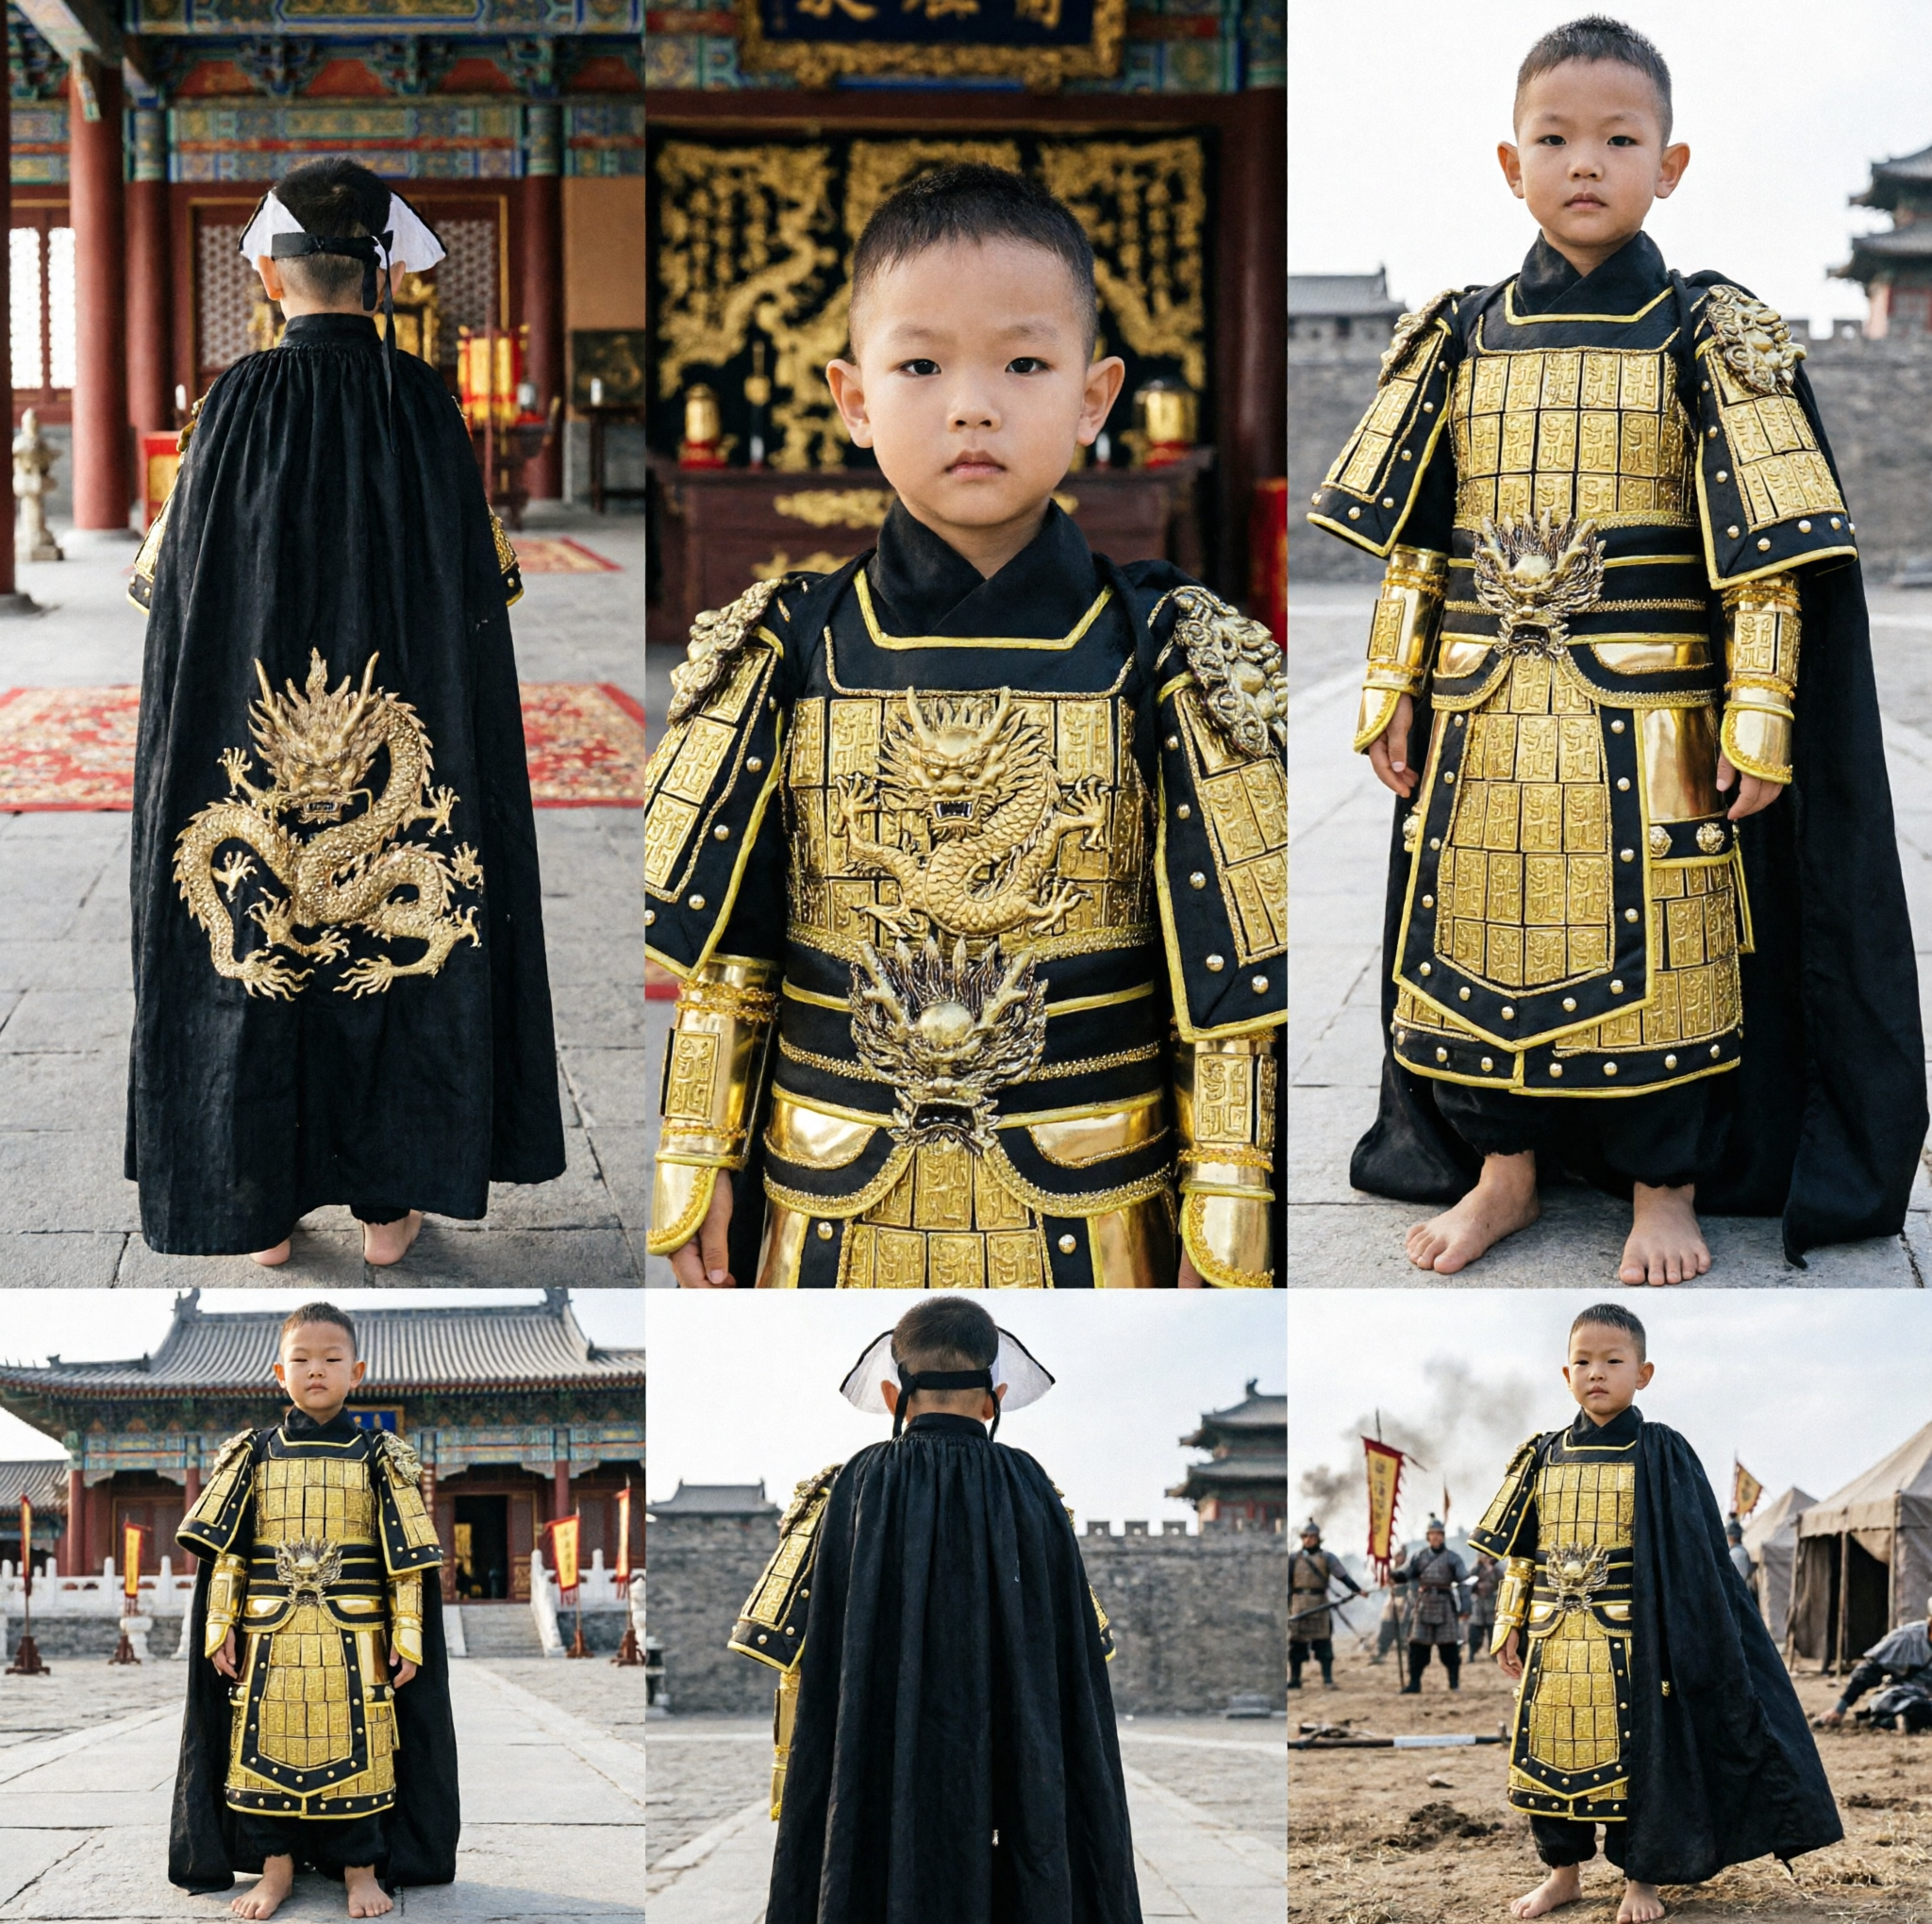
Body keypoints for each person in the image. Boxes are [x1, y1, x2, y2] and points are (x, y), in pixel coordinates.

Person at [1307, 16, 1924, 1284]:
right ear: (1508, 162)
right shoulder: (1457, 338)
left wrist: (1760, 719)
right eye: (1556, 138)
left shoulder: (1715, 335)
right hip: (1482, 711)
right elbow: (1416, 544)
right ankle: (1504, 1171)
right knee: (1471, 933)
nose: (1585, 162)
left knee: (1678, 947)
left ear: (1671, 164)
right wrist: (1390, 691)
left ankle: (1664, 1182)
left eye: (1618, 139)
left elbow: (1768, 559)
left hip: (1656, 719)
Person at [644, 162, 1286, 1287]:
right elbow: (724, 952)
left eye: (1024, 362)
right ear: (852, 396)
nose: (971, 403)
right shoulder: (789, 641)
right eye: (921, 363)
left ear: (1094, 397)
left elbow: (1225, 976)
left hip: (1102, 1189)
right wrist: (697, 1151)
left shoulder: (1169, 647)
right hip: (827, 1183)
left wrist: (1229, 1190)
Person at [127, 156, 565, 1265]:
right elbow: (483, 590)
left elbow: (168, 592)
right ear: (383, 283)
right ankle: (386, 1204)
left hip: (251, 712)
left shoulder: (227, 403)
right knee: (397, 948)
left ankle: (254, 1202)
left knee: (253, 941)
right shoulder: (422, 404)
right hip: (398, 715)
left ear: (274, 284)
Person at [727, 1296, 1141, 1924]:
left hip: (882, 1753)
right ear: (993, 1396)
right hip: (1013, 1761)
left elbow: (790, 1646)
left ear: (894, 1396)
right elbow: (1082, 1654)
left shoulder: (855, 1484)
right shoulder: (1033, 1487)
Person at [1470, 1302, 1839, 1924]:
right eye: (1583, 1362)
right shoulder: (1541, 1454)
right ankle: (1562, 1874)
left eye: (1613, 1361)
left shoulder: (1660, 1450)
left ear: (1643, 1373)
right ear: (1565, 1375)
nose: (1597, 1373)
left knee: (1647, 1759)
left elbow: (1695, 1560)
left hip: (1637, 1637)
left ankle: (1641, 1877)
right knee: (1546, 1755)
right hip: (1554, 1640)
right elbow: (1521, 1551)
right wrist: (1510, 1622)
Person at [168, 1301, 458, 1918]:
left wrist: (409, 1636)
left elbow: (406, 1560)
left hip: (355, 1635)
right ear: (279, 1373)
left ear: (358, 1370)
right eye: (302, 1359)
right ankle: (275, 1871)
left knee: (366, 1743)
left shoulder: (381, 1456)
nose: (316, 1370)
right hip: (267, 1634)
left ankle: (360, 1869)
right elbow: (228, 1553)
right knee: (260, 1746)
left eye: (331, 1359)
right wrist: (220, 1625)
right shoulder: (252, 1454)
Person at [1819, 1601, 1932, 1734]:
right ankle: (1889, 1721)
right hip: (1903, 1696)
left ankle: (1900, 1722)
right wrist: (1839, 1709)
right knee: (1915, 1709)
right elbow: (1868, 1671)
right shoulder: (1907, 1637)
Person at [1392, 1518, 1469, 1692]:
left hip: (1445, 1606)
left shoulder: (1453, 1558)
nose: (1435, 1538)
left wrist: (1466, 1606)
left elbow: (1464, 1582)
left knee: (1449, 1647)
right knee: (1417, 1647)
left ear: (1443, 1536)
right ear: (1428, 1537)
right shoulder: (1418, 1556)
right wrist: (1391, 1575)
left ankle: (1454, 1684)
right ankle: (1414, 1684)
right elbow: (1405, 1573)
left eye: (1438, 1534)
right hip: (1424, 1605)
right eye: (1432, 1534)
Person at [1290, 1518, 1362, 1690]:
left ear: (1318, 1538)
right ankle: (1295, 1679)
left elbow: (1342, 1576)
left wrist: (1357, 1589)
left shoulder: (1327, 1557)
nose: (1309, 1539)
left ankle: (1327, 1680)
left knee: (1323, 1644)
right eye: (1305, 1536)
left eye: (1312, 1536)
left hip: (1319, 1604)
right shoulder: (1293, 1558)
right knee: (1296, 1644)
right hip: (1298, 1603)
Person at [1468, 1552, 1502, 1661]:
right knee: (1475, 1631)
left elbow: (1502, 1583)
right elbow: (1469, 1585)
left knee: (1493, 1631)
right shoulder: (1475, 1569)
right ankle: (1472, 1654)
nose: (1485, 1558)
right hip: (1478, 1604)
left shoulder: (1497, 1570)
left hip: (1492, 1603)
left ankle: (1494, 1654)